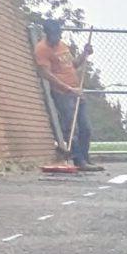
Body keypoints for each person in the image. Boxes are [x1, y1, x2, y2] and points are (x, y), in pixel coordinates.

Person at [33, 18, 93, 170]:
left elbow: (72, 65)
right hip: (62, 94)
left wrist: (84, 54)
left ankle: (86, 158)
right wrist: (67, 88)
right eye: (54, 35)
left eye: (59, 34)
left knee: (86, 127)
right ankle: (79, 161)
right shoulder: (41, 49)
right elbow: (46, 74)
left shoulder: (63, 45)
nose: (57, 38)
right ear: (47, 34)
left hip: (76, 91)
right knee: (71, 128)